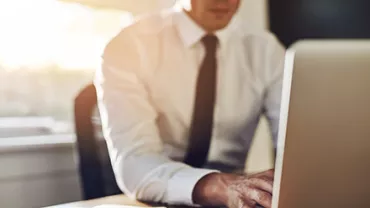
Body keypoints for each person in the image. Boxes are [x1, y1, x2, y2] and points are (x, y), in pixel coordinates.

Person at [95, 0, 285, 207]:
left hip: (235, 200)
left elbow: (293, 141)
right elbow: (135, 162)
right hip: (148, 200)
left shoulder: (266, 50)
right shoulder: (130, 45)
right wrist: (215, 186)